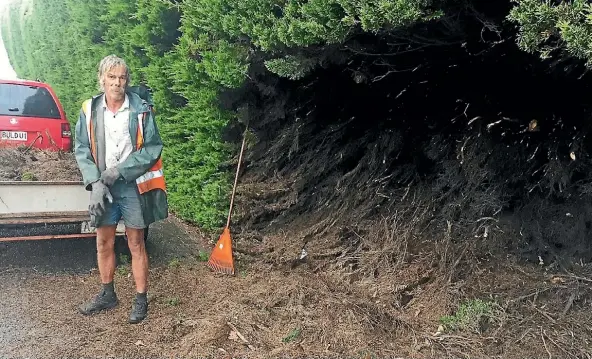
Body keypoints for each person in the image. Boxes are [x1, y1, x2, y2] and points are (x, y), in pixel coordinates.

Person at [74, 54, 168, 324]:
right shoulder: (89, 110)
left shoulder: (140, 109)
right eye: (112, 77)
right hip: (103, 188)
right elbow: (81, 147)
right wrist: (95, 182)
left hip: (131, 186)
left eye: (122, 77)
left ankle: (141, 299)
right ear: (101, 79)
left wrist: (118, 171)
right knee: (103, 242)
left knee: (136, 243)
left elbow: (152, 148)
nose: (117, 83)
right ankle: (107, 294)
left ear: (127, 80)